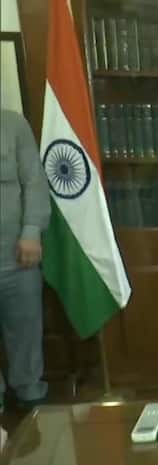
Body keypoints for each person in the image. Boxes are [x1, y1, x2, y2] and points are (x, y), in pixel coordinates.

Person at [0, 109, 50, 412]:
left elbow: (34, 181)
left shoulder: (13, 124)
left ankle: (31, 395)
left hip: (16, 254)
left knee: (26, 327)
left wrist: (32, 231)